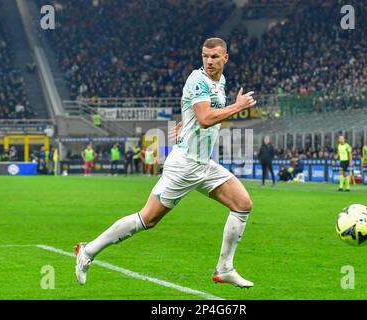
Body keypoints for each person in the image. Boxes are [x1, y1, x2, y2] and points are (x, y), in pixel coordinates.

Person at [75, 37, 257, 288]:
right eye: (205, 55)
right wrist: (236, 107)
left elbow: (197, 114)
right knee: (147, 220)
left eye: (215, 56)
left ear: (225, 58)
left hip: (204, 164)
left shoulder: (220, 82)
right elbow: (205, 119)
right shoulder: (198, 79)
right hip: (184, 166)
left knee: (242, 204)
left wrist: (186, 121)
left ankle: (225, 268)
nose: (209, 61)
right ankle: (88, 250)